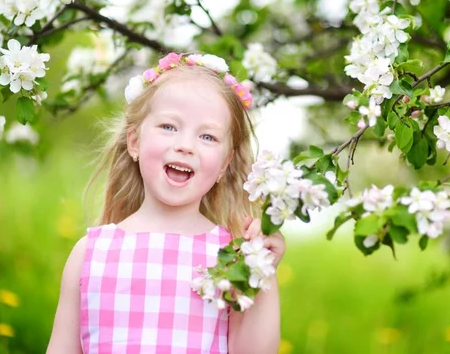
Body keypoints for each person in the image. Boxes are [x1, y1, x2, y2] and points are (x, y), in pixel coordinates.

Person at [46, 52, 286, 354]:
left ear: (225, 163)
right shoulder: (91, 253)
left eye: (208, 137)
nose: (185, 145)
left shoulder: (233, 257)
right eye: (169, 127)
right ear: (134, 142)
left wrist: (260, 272)